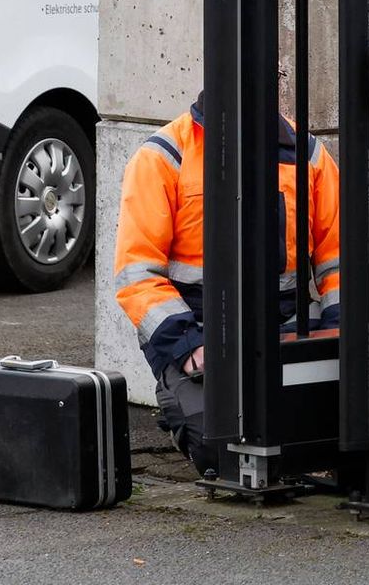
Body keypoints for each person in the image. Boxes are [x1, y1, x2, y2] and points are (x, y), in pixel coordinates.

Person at [113, 92, 341, 478]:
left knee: (315, 439)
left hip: (284, 323)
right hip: (197, 331)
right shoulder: (163, 156)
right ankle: (180, 405)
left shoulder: (309, 155)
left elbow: (340, 258)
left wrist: (337, 336)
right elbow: (137, 275)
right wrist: (189, 348)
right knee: (222, 451)